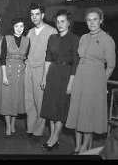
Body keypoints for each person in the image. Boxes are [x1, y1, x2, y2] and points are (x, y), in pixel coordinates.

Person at [65, 7, 116, 154]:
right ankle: (77, 145)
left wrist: (101, 83)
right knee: (77, 113)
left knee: (88, 116)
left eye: (95, 19)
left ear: (101, 20)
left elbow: (111, 66)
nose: (92, 22)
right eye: (89, 20)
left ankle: (83, 148)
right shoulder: (84, 38)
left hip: (95, 81)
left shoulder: (108, 39)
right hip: (80, 79)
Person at [40, 10, 80, 152]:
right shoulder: (52, 38)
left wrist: (71, 83)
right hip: (53, 74)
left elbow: (76, 63)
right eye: (57, 21)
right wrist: (44, 77)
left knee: (61, 108)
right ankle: (53, 137)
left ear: (69, 22)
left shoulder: (75, 38)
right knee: (51, 107)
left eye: (63, 21)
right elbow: (48, 59)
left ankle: (55, 137)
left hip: (66, 74)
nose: (60, 24)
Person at [23, 3, 57, 143]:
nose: (34, 17)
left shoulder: (52, 31)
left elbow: (54, 55)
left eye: (37, 14)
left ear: (43, 15)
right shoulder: (30, 32)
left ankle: (38, 131)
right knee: (29, 101)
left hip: (41, 69)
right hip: (28, 68)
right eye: (32, 14)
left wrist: (48, 74)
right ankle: (30, 129)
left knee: (40, 101)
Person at [0, 17, 29, 137]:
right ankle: (7, 126)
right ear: (13, 27)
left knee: (16, 100)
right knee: (8, 101)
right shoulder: (7, 39)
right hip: (9, 72)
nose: (19, 29)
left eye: (21, 26)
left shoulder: (27, 40)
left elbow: (26, 57)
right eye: (17, 26)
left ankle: (13, 124)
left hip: (20, 73)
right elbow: (2, 58)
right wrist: (4, 76)